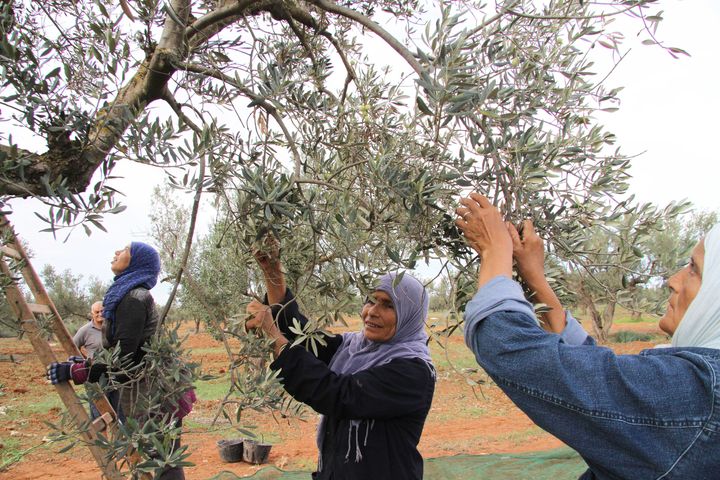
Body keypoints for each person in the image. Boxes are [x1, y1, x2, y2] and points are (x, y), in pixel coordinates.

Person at [455, 192, 720, 480]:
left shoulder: (701, 396)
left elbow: (511, 347)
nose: (673, 280)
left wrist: (495, 252)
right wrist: (535, 277)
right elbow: (599, 377)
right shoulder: (698, 392)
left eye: (694, 269)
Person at [246, 238, 435, 480]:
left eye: (388, 305)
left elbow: (339, 395)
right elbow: (303, 337)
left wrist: (272, 336)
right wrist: (272, 271)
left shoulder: (413, 372)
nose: (372, 312)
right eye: (370, 300)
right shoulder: (352, 347)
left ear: (410, 315)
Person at [47, 242, 193, 480]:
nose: (116, 252)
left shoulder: (134, 299)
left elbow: (124, 356)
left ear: (136, 262)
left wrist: (79, 371)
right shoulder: (126, 295)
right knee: (156, 457)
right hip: (145, 388)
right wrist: (86, 365)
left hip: (152, 392)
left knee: (163, 459)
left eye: (124, 249)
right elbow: (120, 351)